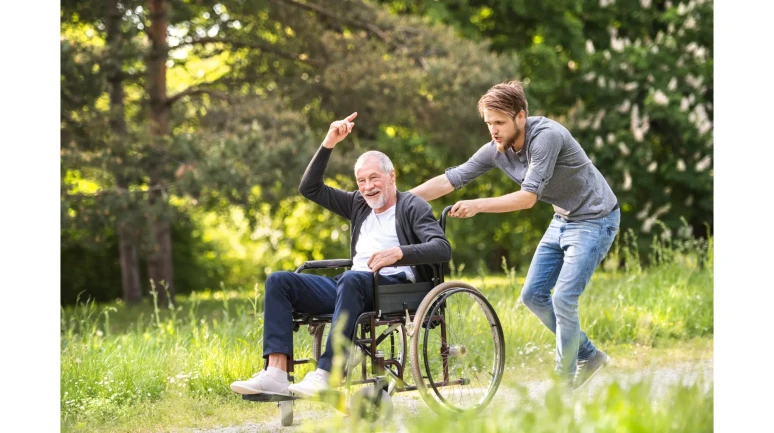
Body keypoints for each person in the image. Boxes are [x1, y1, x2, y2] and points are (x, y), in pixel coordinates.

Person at [409, 81, 620, 390]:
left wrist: (478, 205)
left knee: (563, 297)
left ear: (520, 117)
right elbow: (451, 180)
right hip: (563, 217)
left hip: (595, 219)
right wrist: (399, 201)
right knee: (533, 296)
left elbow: (527, 198)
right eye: (489, 123)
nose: (493, 130)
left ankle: (562, 384)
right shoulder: (498, 149)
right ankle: (590, 356)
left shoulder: (545, 137)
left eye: (499, 122)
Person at [230, 112, 452, 398]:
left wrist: (398, 253)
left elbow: (442, 248)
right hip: (352, 285)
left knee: (351, 279)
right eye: (361, 181)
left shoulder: (412, 206)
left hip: (394, 288)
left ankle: (326, 373)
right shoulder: (358, 203)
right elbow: (309, 188)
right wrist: (329, 142)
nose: (368, 187)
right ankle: (275, 373)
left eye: (374, 178)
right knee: (279, 281)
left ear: (391, 176)